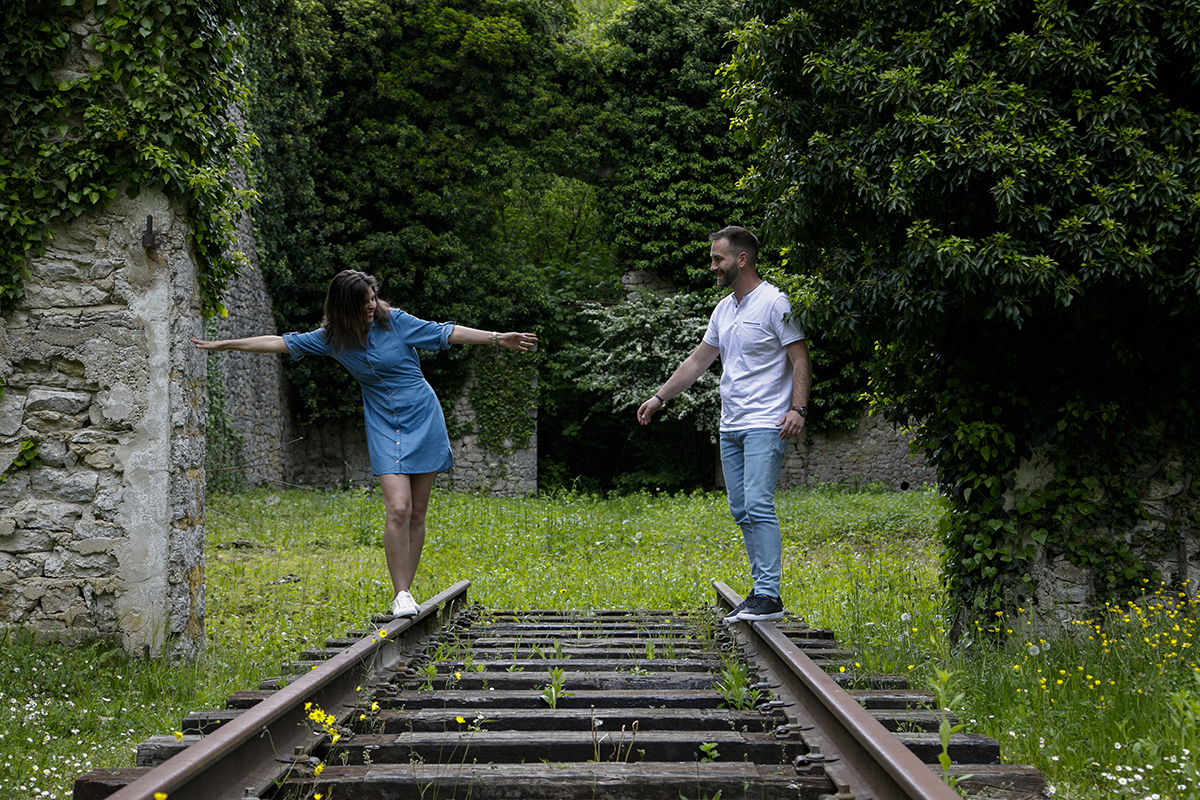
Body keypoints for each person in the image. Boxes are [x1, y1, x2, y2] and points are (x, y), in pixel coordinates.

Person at [192, 269, 537, 618]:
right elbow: (280, 342)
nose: (371, 305)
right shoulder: (332, 339)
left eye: (372, 298)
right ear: (344, 308)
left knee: (417, 512)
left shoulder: (396, 322)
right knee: (398, 507)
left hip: (423, 417)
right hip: (384, 425)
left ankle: (407, 590)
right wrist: (224, 344)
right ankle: (400, 594)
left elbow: (445, 332)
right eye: (363, 302)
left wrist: (497, 338)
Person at [637, 226, 810, 622]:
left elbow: (800, 358)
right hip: (730, 423)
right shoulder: (724, 309)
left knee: (757, 502)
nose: (713, 265)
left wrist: (797, 409)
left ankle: (768, 594)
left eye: (719, 259)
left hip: (766, 421)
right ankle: (760, 591)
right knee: (740, 507)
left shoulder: (774, 302)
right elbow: (699, 361)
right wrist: (660, 397)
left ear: (741, 260)